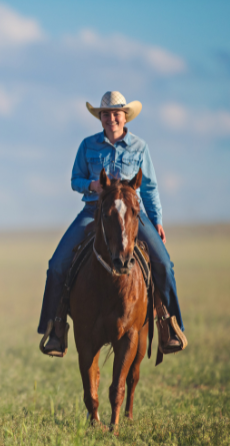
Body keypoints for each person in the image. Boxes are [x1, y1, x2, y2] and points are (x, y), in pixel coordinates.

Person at [39, 91, 186, 355]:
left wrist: (157, 220)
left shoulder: (140, 147)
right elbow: (75, 180)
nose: (110, 119)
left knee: (163, 263)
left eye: (115, 114)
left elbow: (149, 187)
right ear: (100, 118)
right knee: (57, 264)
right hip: (94, 211)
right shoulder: (87, 146)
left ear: (125, 116)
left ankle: (169, 325)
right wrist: (91, 185)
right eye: (105, 114)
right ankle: (56, 328)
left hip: (132, 214)